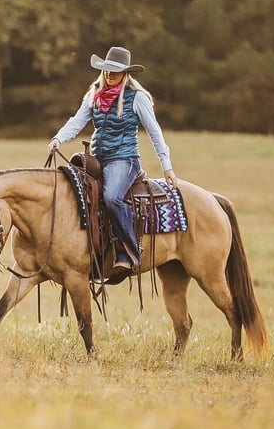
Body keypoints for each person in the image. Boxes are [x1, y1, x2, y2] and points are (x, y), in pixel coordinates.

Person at [47, 46, 177, 283]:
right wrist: (59, 138)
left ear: (125, 73)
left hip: (124, 160)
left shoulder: (136, 98)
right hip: (98, 158)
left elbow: (155, 132)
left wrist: (166, 166)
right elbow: (77, 121)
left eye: (115, 72)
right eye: (107, 71)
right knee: (72, 194)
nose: (109, 75)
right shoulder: (94, 94)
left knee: (112, 197)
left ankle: (130, 251)